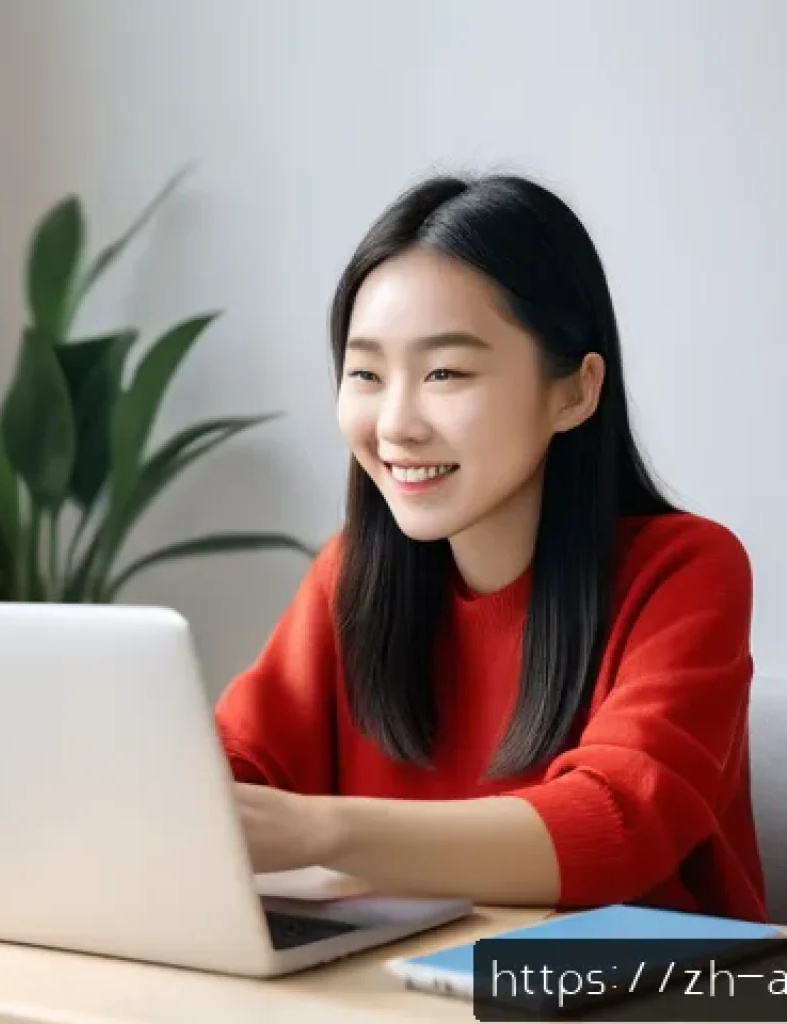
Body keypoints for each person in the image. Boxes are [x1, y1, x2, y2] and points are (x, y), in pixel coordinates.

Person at [214, 173, 767, 923]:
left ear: (573, 392)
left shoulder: (685, 570)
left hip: (650, 996)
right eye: (367, 374)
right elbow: (224, 773)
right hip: (405, 993)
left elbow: (614, 827)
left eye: (445, 372)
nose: (396, 423)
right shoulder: (351, 579)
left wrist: (323, 830)